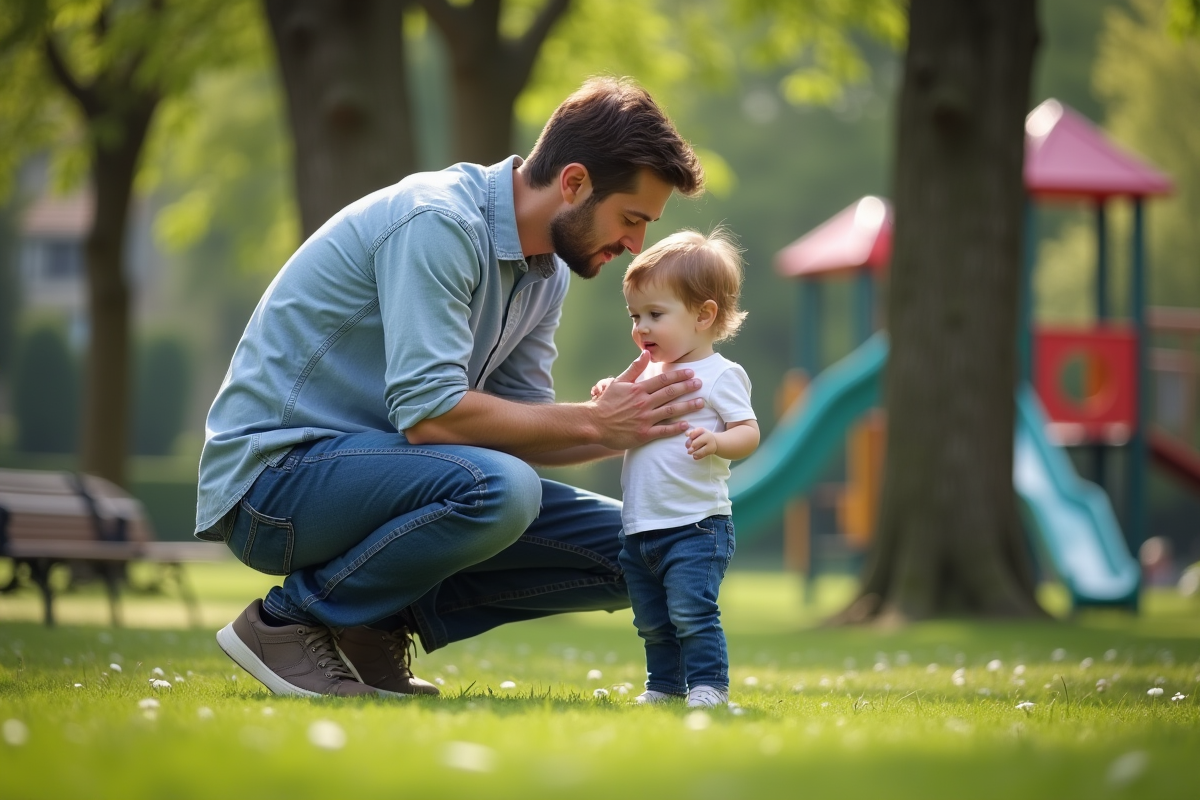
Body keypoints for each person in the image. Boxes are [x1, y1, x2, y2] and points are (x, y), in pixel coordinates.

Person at [196, 77, 707, 698]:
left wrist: (638, 428)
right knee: (501, 489)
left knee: (651, 545)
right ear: (573, 183)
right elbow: (430, 416)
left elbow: (522, 429)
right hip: (274, 487)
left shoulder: (546, 272)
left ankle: (373, 621)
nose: (636, 246)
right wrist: (596, 424)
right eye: (631, 219)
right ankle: (288, 620)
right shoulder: (438, 223)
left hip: (386, 482)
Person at [591, 229, 759, 708]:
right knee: (652, 619)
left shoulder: (720, 375)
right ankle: (664, 687)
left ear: (704, 315)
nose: (641, 328)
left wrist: (717, 440)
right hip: (641, 526)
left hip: (696, 526)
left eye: (655, 315)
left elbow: (748, 432)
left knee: (691, 612)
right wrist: (608, 394)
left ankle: (709, 687)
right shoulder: (647, 372)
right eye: (635, 316)